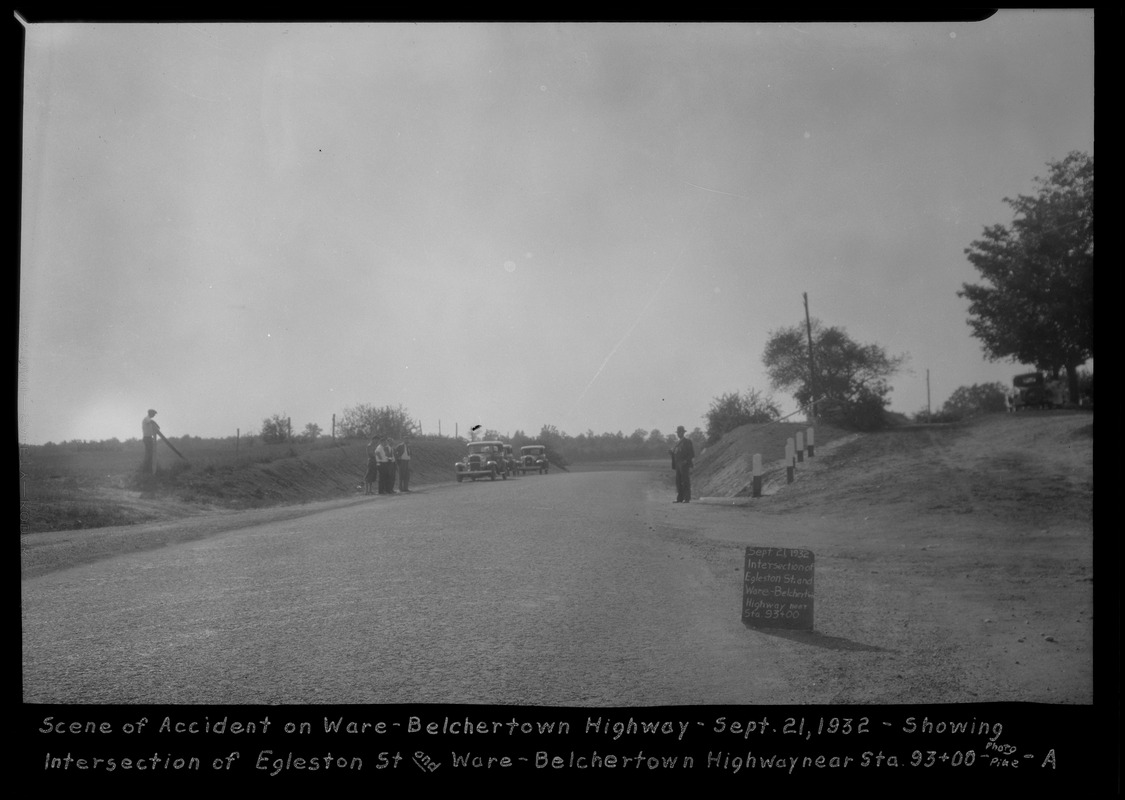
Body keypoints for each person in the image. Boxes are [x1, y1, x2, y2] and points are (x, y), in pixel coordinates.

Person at [670, 425, 694, 503]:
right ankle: (679, 498)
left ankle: (687, 498)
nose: (678, 434)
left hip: (684, 464)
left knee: (685, 481)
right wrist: (671, 452)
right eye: (678, 432)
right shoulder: (677, 443)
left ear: (683, 433)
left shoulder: (687, 442)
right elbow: (676, 453)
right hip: (678, 464)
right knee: (678, 481)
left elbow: (691, 453)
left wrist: (686, 461)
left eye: (680, 432)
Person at [141, 409, 160, 474]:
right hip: (147, 438)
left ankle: (148, 469)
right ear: (151, 413)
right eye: (154, 414)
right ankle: (145, 470)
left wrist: (156, 426)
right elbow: (151, 421)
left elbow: (152, 424)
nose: (154, 415)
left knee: (150, 454)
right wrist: (156, 424)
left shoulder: (149, 420)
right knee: (148, 454)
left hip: (149, 438)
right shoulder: (146, 419)